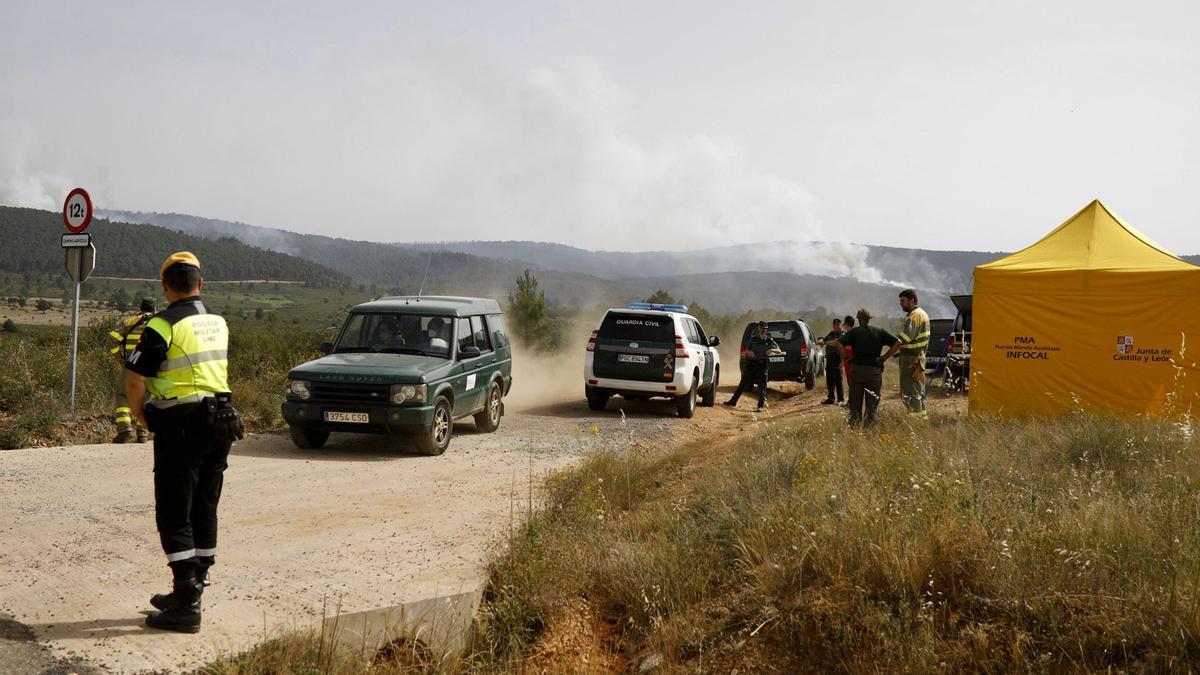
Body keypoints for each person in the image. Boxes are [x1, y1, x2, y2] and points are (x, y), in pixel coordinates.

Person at [124, 251, 243, 633]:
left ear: (165, 286)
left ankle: (186, 605)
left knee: (175, 512)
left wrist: (142, 416)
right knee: (205, 508)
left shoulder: (162, 324)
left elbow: (135, 377)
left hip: (181, 423)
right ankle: (193, 589)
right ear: (200, 284)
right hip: (221, 421)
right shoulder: (218, 323)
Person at [833, 309, 898, 427]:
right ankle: (869, 428)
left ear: (859, 319)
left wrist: (846, 358)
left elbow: (838, 343)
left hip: (857, 370)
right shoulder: (879, 331)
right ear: (869, 319)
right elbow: (898, 342)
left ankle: (854, 426)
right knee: (872, 403)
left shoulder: (854, 332)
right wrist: (885, 357)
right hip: (874, 371)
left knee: (855, 402)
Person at [109, 298, 156, 443]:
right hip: (152, 367)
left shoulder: (129, 321)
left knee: (123, 395)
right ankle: (142, 434)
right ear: (154, 309)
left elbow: (113, 339)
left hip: (131, 365)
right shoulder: (159, 322)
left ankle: (125, 430)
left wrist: (121, 358)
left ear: (140, 308)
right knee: (147, 397)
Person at [882, 288, 931, 418]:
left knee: (910, 391)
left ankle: (915, 421)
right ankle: (922, 418)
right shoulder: (922, 313)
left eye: (903, 301)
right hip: (918, 358)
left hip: (911, 360)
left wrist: (886, 356)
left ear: (912, 301)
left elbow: (903, 339)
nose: (901, 303)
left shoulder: (914, 316)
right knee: (918, 390)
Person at [724, 321, 784, 412]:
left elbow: (779, 351)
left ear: (766, 330)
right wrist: (749, 352)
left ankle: (760, 406)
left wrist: (772, 350)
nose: (763, 330)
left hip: (762, 365)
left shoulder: (769, 340)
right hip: (752, 364)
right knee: (743, 383)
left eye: (765, 329)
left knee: (762, 386)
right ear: (759, 329)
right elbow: (747, 350)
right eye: (762, 328)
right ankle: (733, 401)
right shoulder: (753, 339)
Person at [817, 318, 844, 405]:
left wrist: (826, 342)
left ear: (840, 325)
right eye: (834, 324)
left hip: (837, 358)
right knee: (829, 379)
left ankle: (840, 399)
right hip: (829, 359)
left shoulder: (842, 334)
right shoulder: (831, 333)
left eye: (837, 324)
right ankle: (831, 398)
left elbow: (835, 343)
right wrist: (821, 341)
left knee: (838, 379)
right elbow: (823, 340)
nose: (836, 326)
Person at [840, 315, 855, 386]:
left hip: (852, 360)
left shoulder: (855, 334)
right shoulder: (846, 335)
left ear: (847, 324)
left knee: (852, 380)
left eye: (845, 324)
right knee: (849, 380)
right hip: (847, 360)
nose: (844, 326)